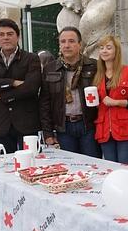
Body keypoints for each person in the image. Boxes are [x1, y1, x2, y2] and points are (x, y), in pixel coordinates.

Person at [0, 18, 41, 153]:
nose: (6, 38)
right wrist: (12, 82)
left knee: (31, 163)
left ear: (18, 36)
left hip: (26, 121)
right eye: (1, 34)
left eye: (10, 34)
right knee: (3, 165)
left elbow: (31, 87)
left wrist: (1, 94)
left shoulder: (31, 58)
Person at [39, 26, 100, 158]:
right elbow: (45, 103)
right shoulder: (50, 69)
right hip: (64, 128)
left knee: (93, 166)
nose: (67, 45)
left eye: (71, 41)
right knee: (70, 167)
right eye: (63, 41)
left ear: (79, 44)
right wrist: (48, 133)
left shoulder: (94, 66)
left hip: (89, 125)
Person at [93, 35, 128, 164]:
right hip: (104, 130)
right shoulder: (98, 76)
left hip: (126, 129)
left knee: (125, 168)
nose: (104, 51)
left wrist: (116, 102)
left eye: (108, 48)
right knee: (110, 168)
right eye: (101, 48)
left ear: (117, 51)